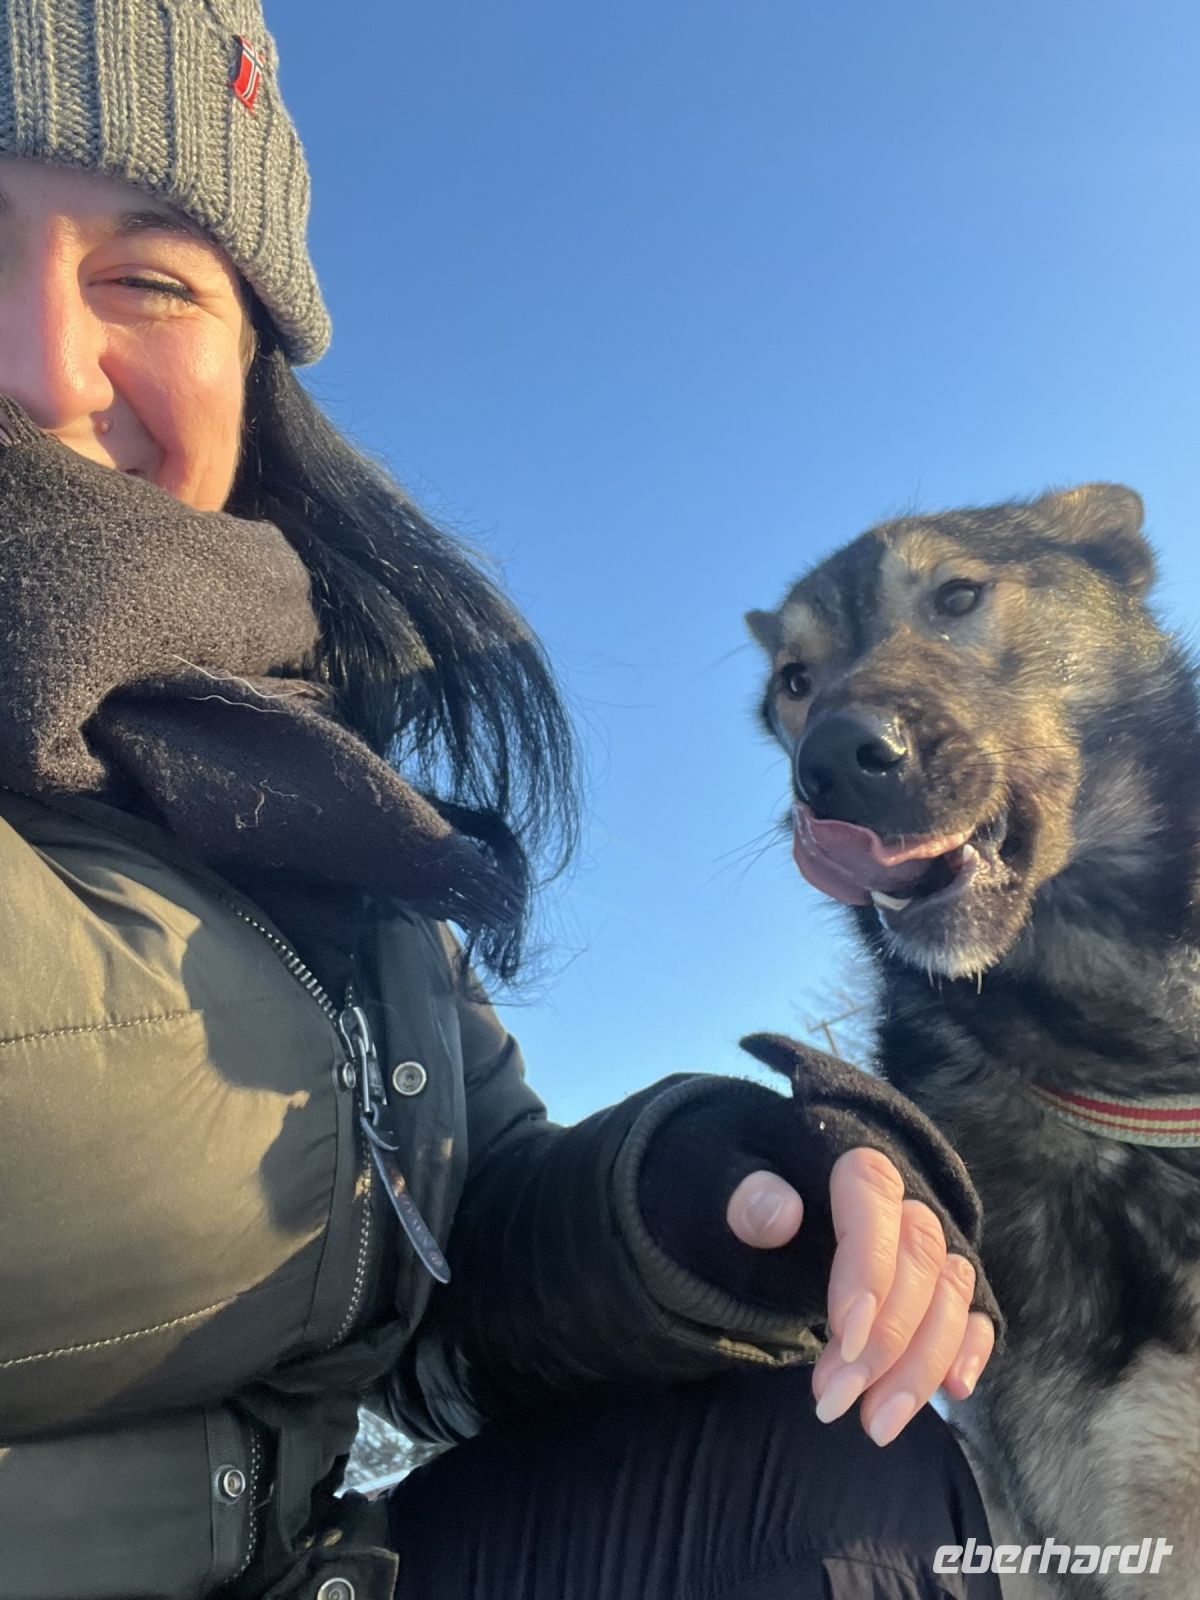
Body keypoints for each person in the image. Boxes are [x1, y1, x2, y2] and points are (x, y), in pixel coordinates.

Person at [0, 4, 1004, 1597]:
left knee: (855, 1476)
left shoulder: (320, 802)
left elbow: (454, 1241)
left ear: (252, 364)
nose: (47, 371)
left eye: (147, 279)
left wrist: (724, 1196)